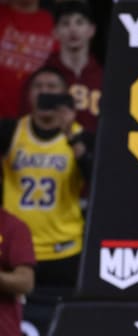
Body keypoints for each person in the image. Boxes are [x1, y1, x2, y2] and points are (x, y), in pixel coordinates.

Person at [0, 66, 91, 289]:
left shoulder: (81, 136)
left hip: (64, 247)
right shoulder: (10, 130)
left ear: (64, 94)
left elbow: (96, 179)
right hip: (15, 245)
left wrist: (70, 135)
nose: (44, 92)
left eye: (51, 88)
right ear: (29, 94)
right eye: (38, 87)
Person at [42, 1, 103, 135]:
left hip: (93, 153)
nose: (73, 29)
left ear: (91, 30)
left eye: (79, 22)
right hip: (54, 152)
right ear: (55, 32)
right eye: (65, 23)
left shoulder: (105, 77)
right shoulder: (43, 78)